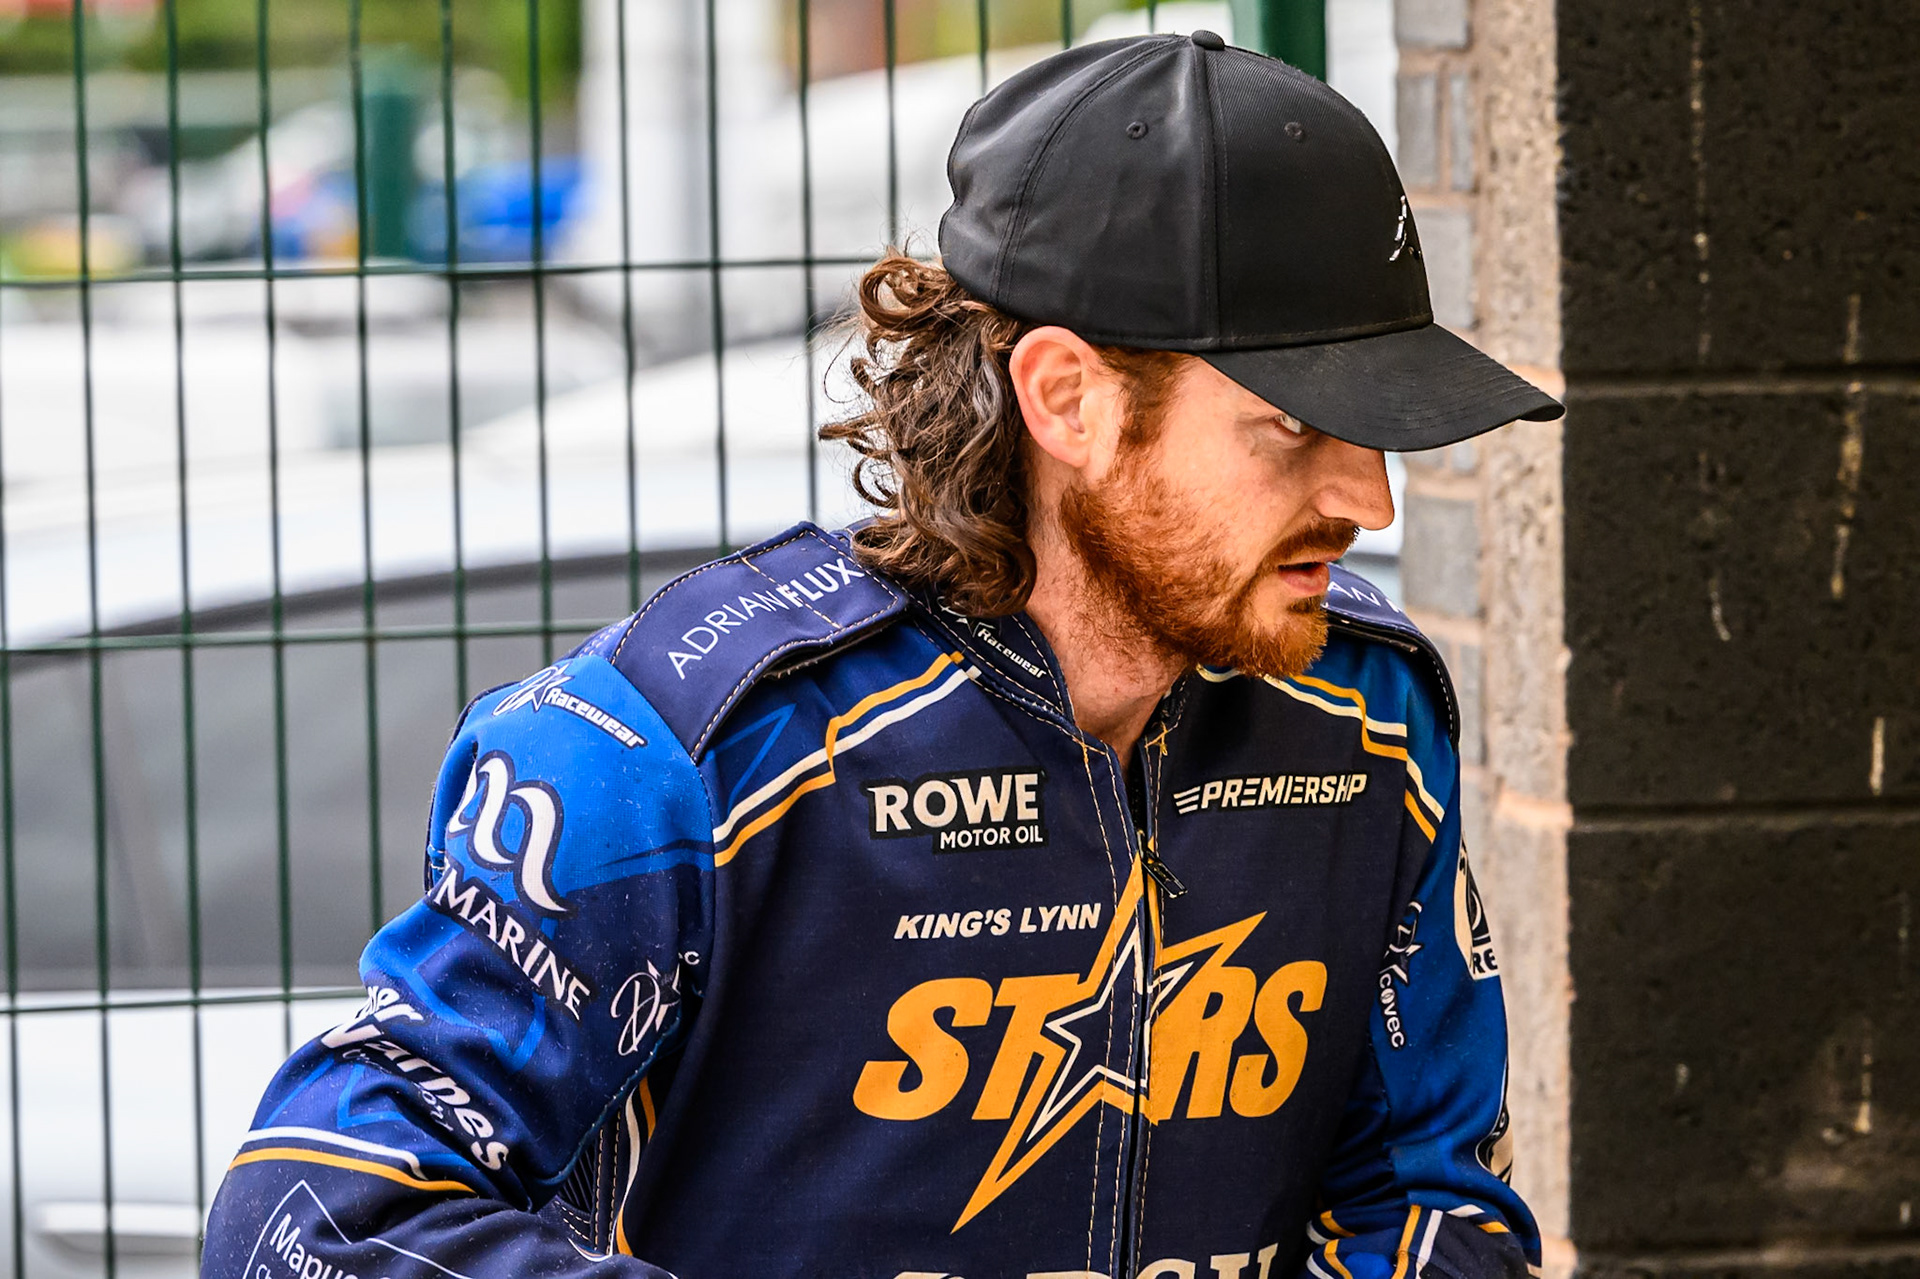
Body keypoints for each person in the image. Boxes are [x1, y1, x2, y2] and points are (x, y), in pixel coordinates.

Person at [204, 31, 1563, 1279]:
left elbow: (1425, 1195)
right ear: (1070, 400)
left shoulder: (1366, 715)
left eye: (1378, 427)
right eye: (1295, 430)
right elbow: (313, 1221)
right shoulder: (683, 750)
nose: (1369, 501)